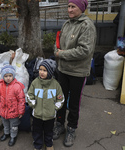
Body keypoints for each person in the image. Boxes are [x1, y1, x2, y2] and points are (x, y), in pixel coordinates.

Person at [53, 0, 97, 147]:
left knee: (73, 103)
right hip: (63, 70)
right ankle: (59, 124)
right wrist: (56, 50)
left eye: (73, 7)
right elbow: (58, 42)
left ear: (81, 8)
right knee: (60, 99)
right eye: (68, 6)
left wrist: (61, 54)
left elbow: (84, 51)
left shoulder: (87, 26)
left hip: (78, 72)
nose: (69, 10)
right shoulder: (67, 24)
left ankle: (71, 129)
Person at [27, 59, 65, 150]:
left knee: (49, 131)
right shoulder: (35, 83)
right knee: (37, 131)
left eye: (45, 70)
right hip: (37, 115)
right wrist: (33, 105)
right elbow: (29, 95)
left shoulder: (55, 85)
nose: (42, 72)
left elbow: (61, 98)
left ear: (50, 72)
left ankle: (49, 144)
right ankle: (38, 144)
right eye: (40, 69)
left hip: (50, 115)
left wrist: (54, 108)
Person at [0, 61, 25, 146]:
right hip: (3, 111)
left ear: (13, 76)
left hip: (14, 111)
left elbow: (21, 100)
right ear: (3, 76)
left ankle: (13, 136)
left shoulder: (17, 86)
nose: (8, 78)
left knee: (13, 125)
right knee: (5, 124)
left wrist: (21, 111)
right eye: (6, 76)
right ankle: (6, 133)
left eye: (10, 76)